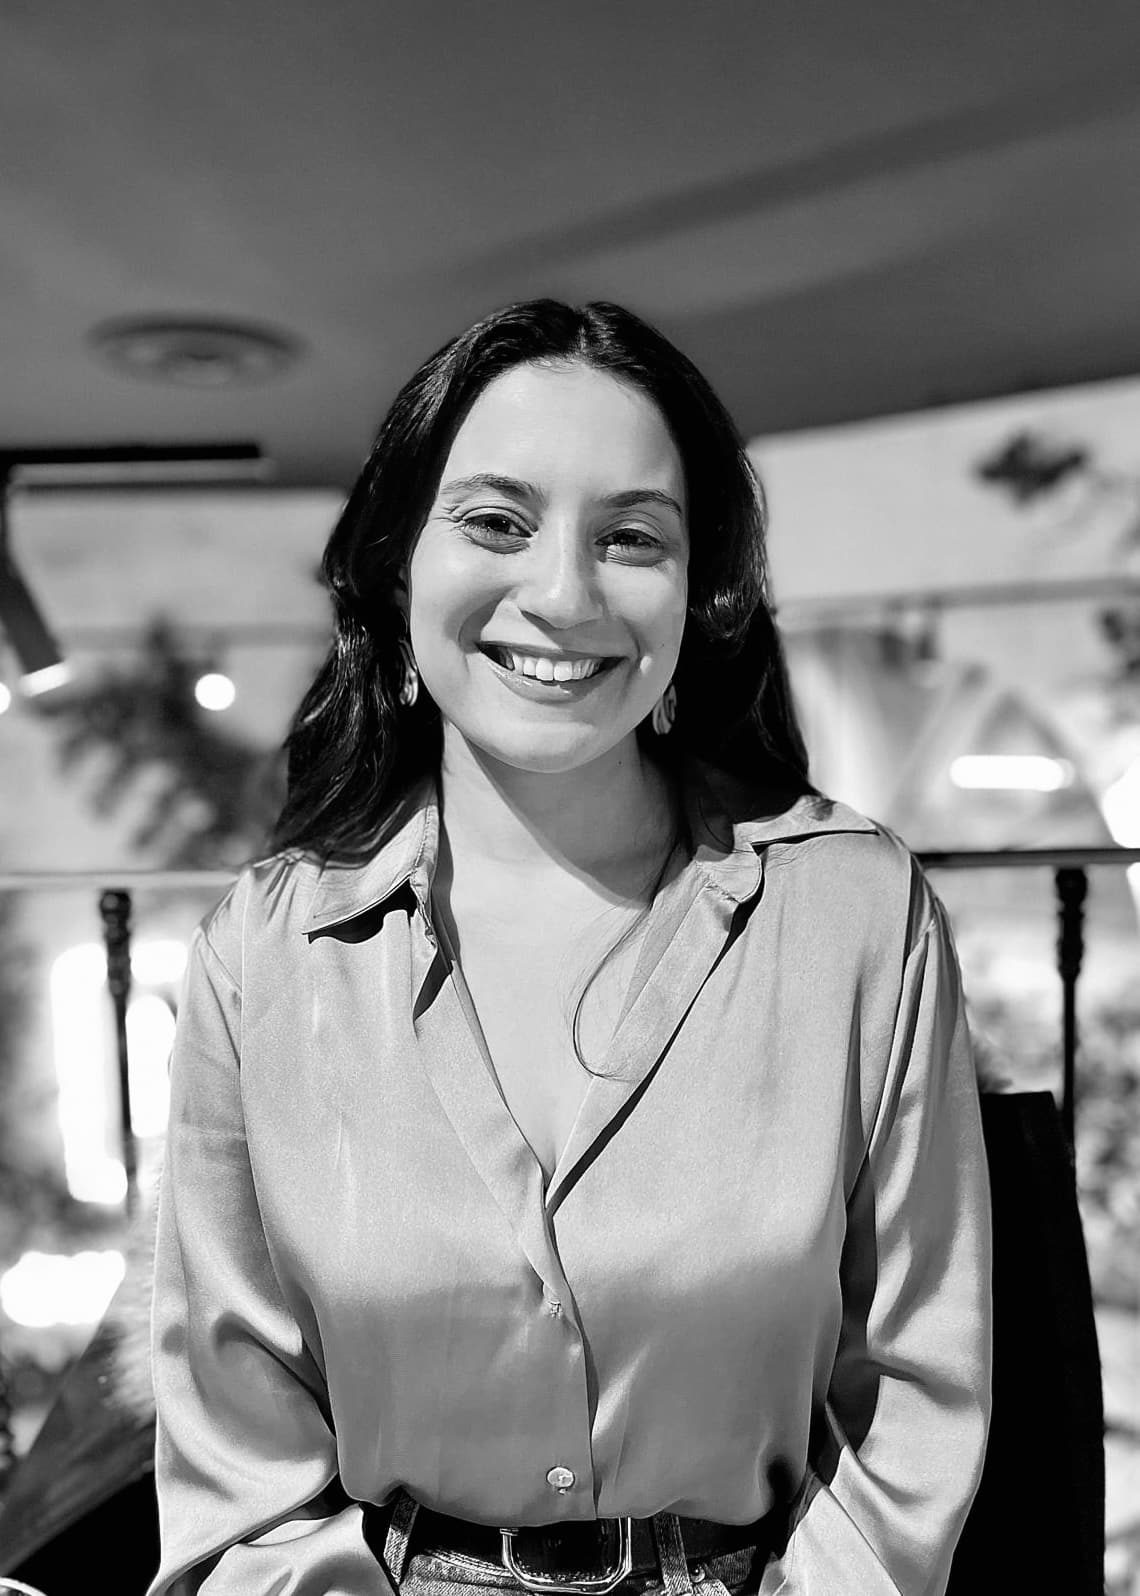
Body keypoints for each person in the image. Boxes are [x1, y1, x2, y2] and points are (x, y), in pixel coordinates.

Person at [146, 300, 992, 1596]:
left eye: (631, 537)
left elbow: (916, 1396)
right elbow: (237, 1458)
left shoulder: (853, 917)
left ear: (698, 592)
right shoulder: (265, 959)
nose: (562, 593)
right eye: (497, 522)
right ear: (397, 565)